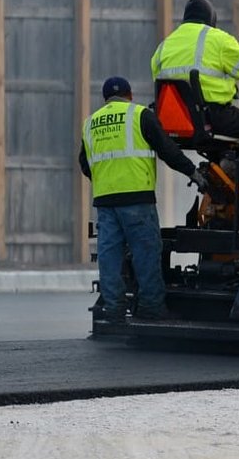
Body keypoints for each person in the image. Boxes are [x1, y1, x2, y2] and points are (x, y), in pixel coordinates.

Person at [79, 75, 208, 322]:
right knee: (146, 252)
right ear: (130, 95)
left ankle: (114, 309)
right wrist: (194, 173)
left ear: (106, 99)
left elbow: (85, 164)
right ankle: (151, 308)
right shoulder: (140, 115)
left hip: (105, 201)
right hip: (137, 199)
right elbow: (168, 150)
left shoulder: (91, 123)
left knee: (109, 257)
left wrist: (108, 179)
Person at [151, 0, 239, 149]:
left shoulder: (164, 45)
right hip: (213, 117)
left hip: (175, 121)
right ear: (211, 19)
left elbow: (158, 81)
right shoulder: (217, 39)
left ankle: (226, 168)